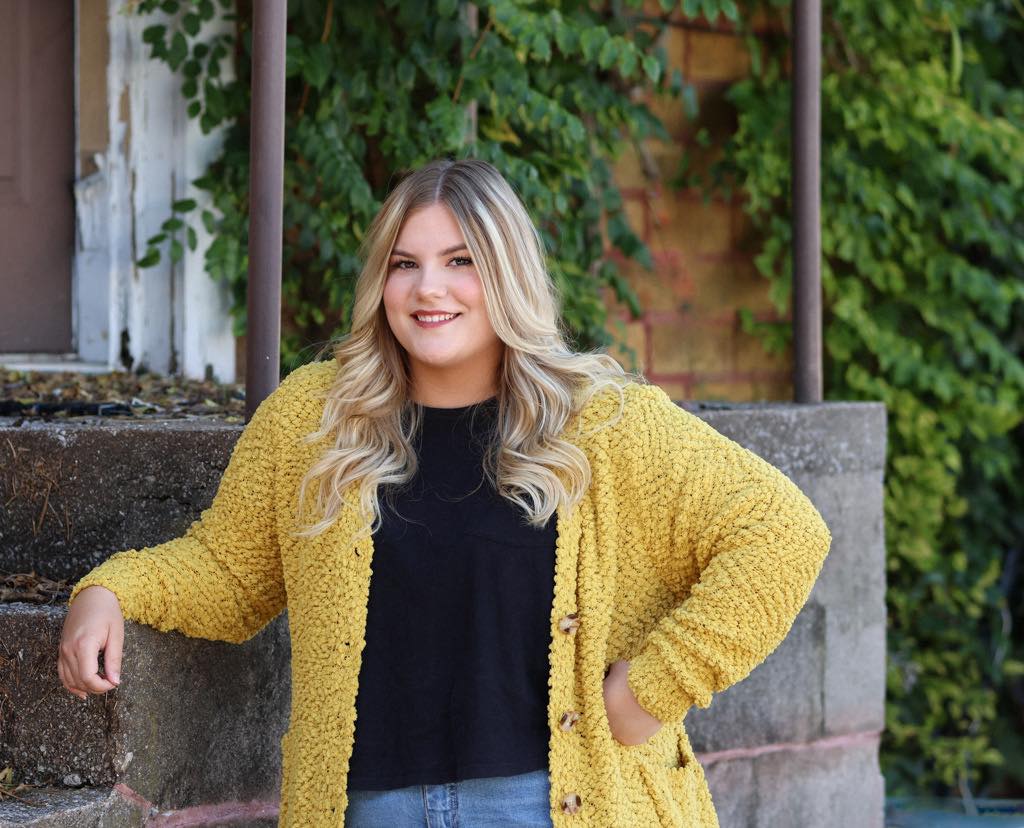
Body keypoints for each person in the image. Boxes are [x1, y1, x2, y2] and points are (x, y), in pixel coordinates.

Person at [60, 157, 833, 827]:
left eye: (462, 261)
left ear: (508, 274)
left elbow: (781, 531)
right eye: (405, 263)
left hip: (549, 805)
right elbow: (229, 574)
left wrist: (651, 688)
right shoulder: (316, 417)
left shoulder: (601, 423)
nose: (430, 288)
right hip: (369, 810)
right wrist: (111, 590)